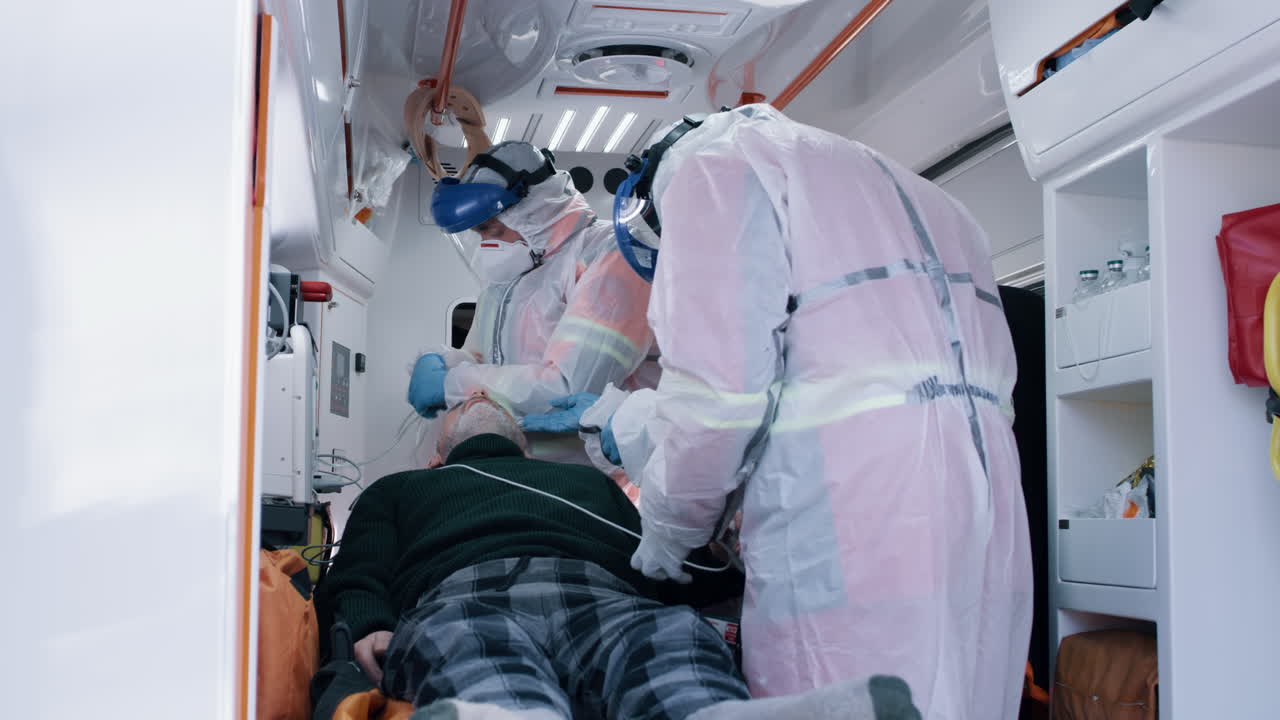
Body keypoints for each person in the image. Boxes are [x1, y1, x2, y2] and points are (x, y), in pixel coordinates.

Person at [525, 104, 1033, 716]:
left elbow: (721, 404)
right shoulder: (937, 203)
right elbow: (826, 372)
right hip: (988, 501)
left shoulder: (713, 170)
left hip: (852, 514)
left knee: (839, 698)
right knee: (975, 693)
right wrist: (627, 419)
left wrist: (667, 528)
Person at [316, 394, 921, 720]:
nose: (475, 396)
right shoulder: (402, 489)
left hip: (588, 594)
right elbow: (358, 569)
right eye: (465, 406)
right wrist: (369, 623)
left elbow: (652, 560)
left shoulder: (587, 483)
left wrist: (720, 562)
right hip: (485, 595)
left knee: (660, 639)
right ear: (438, 460)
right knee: (644, 642)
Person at [407, 141, 657, 483]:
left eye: (489, 229)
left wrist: (451, 382)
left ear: (532, 212)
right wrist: (441, 361)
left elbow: (568, 388)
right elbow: (483, 359)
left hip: (594, 482)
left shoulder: (607, 256)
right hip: (518, 472)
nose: (486, 244)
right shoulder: (512, 271)